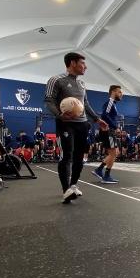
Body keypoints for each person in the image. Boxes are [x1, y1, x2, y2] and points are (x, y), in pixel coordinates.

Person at [44, 52, 107, 204]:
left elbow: (85, 104)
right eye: (83, 63)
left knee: (79, 157)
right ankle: (66, 190)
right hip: (65, 123)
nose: (85, 67)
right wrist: (59, 115)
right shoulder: (56, 80)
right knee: (67, 156)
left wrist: (97, 119)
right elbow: (49, 101)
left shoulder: (82, 84)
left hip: (83, 124)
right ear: (73, 63)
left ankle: (73, 185)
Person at [92, 85, 123, 184]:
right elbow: (104, 115)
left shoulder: (113, 104)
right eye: (119, 92)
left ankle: (100, 170)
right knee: (113, 153)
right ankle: (105, 175)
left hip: (109, 131)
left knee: (114, 153)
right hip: (108, 131)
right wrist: (115, 126)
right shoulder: (110, 102)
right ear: (113, 92)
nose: (121, 94)